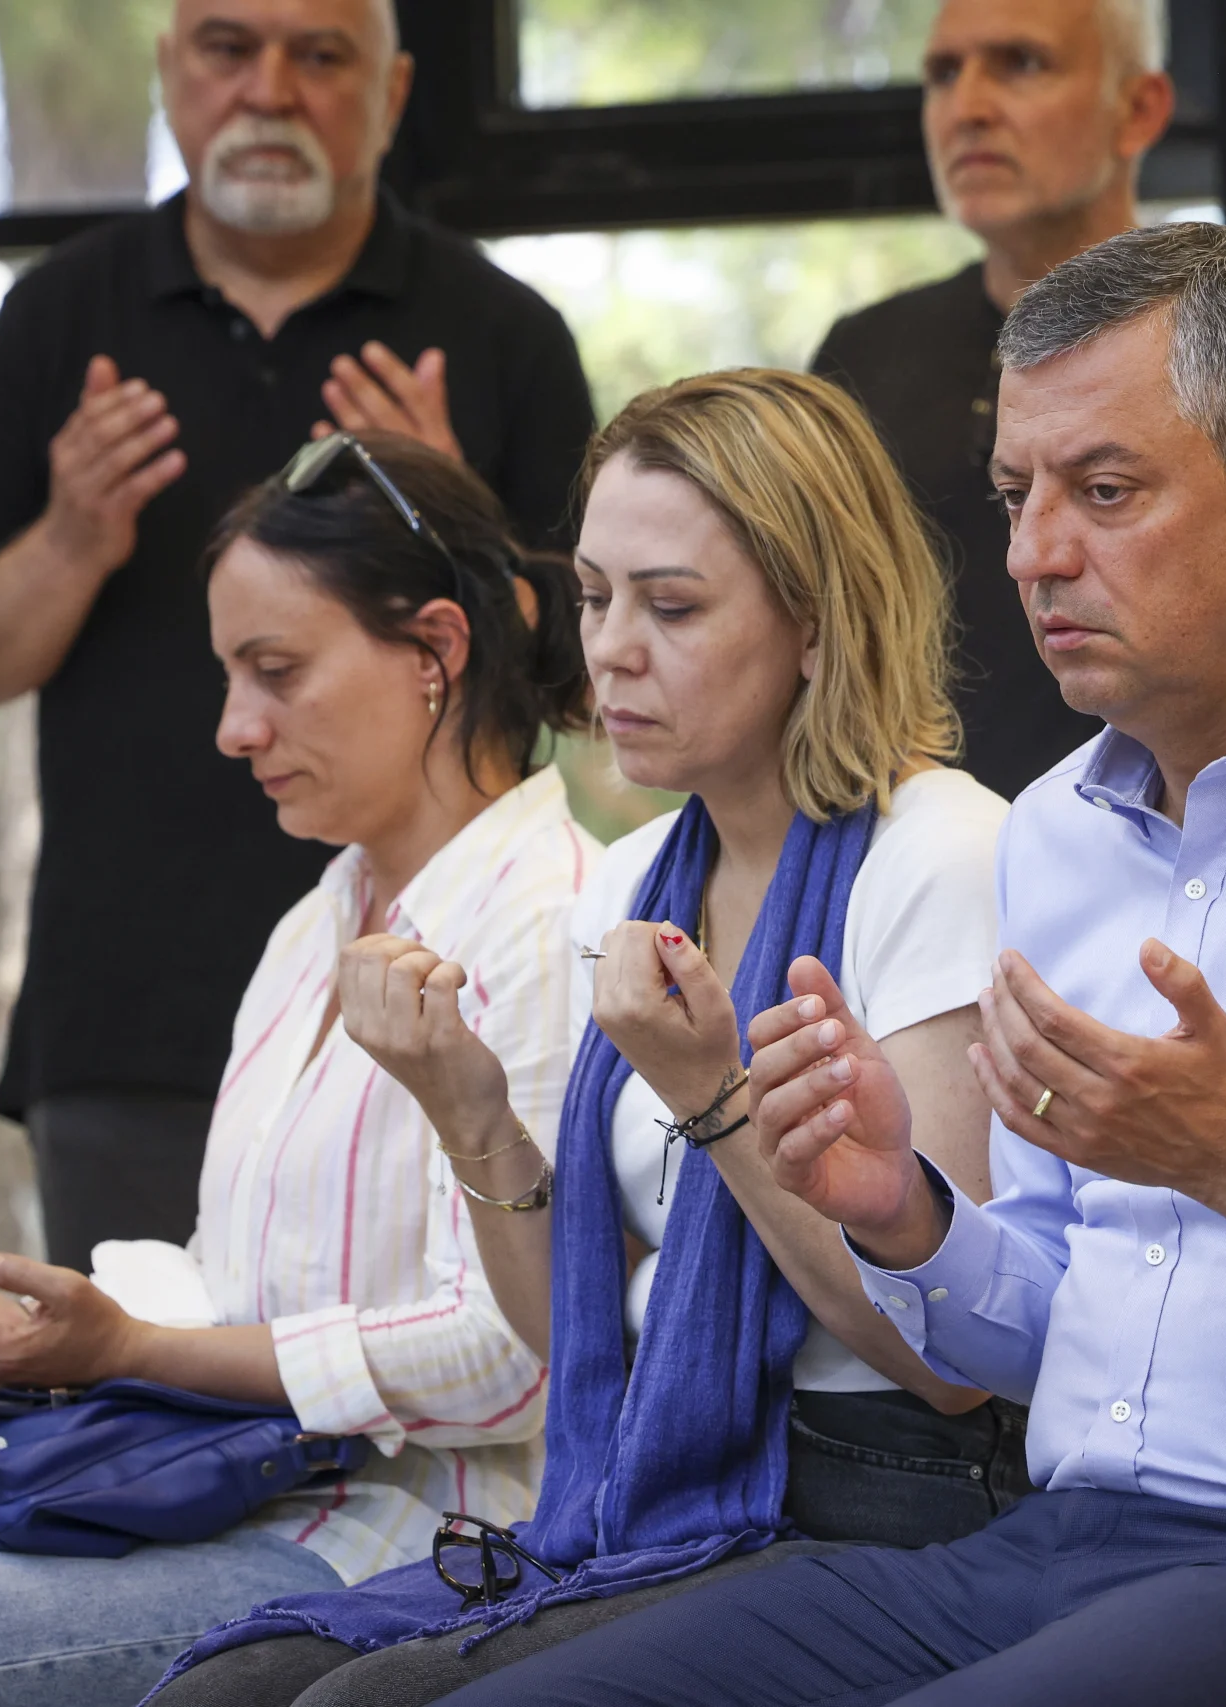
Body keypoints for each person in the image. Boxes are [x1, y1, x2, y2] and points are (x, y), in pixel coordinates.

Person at [418, 223, 1226, 1707]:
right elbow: (1038, 1328)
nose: (1034, 552)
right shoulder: (1055, 832)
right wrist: (899, 1211)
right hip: (1055, 1535)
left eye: (1105, 491)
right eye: (1018, 495)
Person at [148, 369, 1018, 1707]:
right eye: (598, 597)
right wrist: (467, 1108)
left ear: (815, 621)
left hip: (892, 1490)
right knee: (227, 1683)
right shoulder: (637, 878)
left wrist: (712, 1096)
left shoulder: (940, 853)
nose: (609, 648)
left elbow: (947, 1366)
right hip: (656, 1471)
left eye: (670, 606)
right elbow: (569, 1330)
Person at [0, 434, 596, 1707]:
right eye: (229, 676)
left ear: (435, 653)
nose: (234, 729)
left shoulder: (554, 921)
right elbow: (242, 1282)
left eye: (276, 672)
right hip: (226, 1486)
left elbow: (514, 1356)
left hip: (414, 1546)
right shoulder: (316, 923)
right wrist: (63, 1333)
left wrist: (137, 1346)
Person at [0, 0, 595, 1271]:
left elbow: (591, 676)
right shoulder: (58, 320)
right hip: (127, 1008)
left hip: (444, 986)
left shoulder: (498, 332)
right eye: (228, 47)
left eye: (320, 56)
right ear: (167, 71)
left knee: (425, 1381)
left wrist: (453, 519)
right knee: (144, 1416)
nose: (270, 89)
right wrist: (75, 537)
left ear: (395, 92)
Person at [813, 0, 1226, 798]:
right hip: (921, 850)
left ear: (1140, 107)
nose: (969, 107)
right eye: (943, 73)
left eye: (1021, 63)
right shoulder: (863, 358)